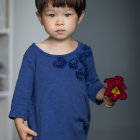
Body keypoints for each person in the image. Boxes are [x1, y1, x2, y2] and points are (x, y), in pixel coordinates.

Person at [8, 0, 115, 140]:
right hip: (42, 128)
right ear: (40, 17)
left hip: (76, 128)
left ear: (80, 16)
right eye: (52, 15)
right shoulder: (33, 54)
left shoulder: (85, 52)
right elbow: (22, 91)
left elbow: (92, 84)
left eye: (67, 14)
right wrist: (19, 122)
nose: (59, 22)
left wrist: (104, 94)